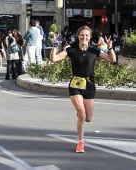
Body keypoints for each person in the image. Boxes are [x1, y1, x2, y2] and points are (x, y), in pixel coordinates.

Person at [50, 25, 116, 153]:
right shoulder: (71, 50)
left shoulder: (94, 51)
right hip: (76, 84)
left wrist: (110, 47)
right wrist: (54, 46)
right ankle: (80, 142)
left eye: (86, 35)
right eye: (82, 35)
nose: (84, 37)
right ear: (78, 36)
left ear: (90, 37)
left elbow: (112, 59)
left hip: (89, 85)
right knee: (82, 114)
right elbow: (54, 58)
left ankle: (81, 113)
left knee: (88, 118)